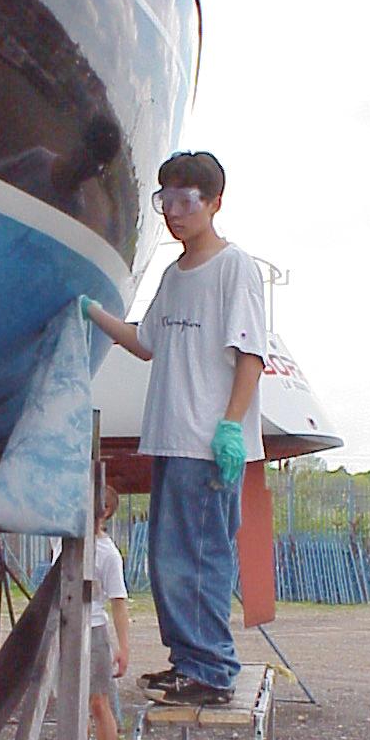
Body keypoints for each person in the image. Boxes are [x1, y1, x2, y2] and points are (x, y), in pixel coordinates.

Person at [80, 151, 267, 706]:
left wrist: (230, 427)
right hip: (169, 437)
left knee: (201, 559)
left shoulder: (235, 268)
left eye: (187, 201)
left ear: (214, 203)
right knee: (169, 563)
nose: (175, 213)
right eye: (166, 201)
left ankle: (211, 669)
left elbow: (250, 355)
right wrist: (92, 312)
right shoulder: (174, 275)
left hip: (207, 445)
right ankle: (188, 662)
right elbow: (146, 342)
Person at [86, 486, 129, 740]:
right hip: (64, 628)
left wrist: (123, 648)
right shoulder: (62, 539)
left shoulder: (108, 554)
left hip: (93, 629)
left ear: (105, 513)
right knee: (73, 702)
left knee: (99, 702)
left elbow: (118, 602)